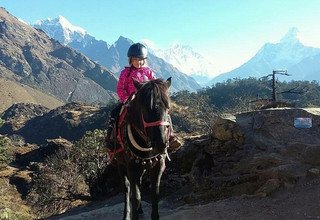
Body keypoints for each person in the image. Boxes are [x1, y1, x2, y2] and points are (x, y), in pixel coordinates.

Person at [105, 42, 181, 150]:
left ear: (144, 60)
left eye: (140, 59)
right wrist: (126, 99)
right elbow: (120, 88)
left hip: (146, 101)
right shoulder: (125, 73)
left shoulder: (149, 72)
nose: (138, 62)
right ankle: (111, 139)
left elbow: (154, 87)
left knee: (164, 113)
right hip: (129, 101)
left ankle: (171, 137)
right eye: (135, 59)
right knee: (114, 113)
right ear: (130, 60)